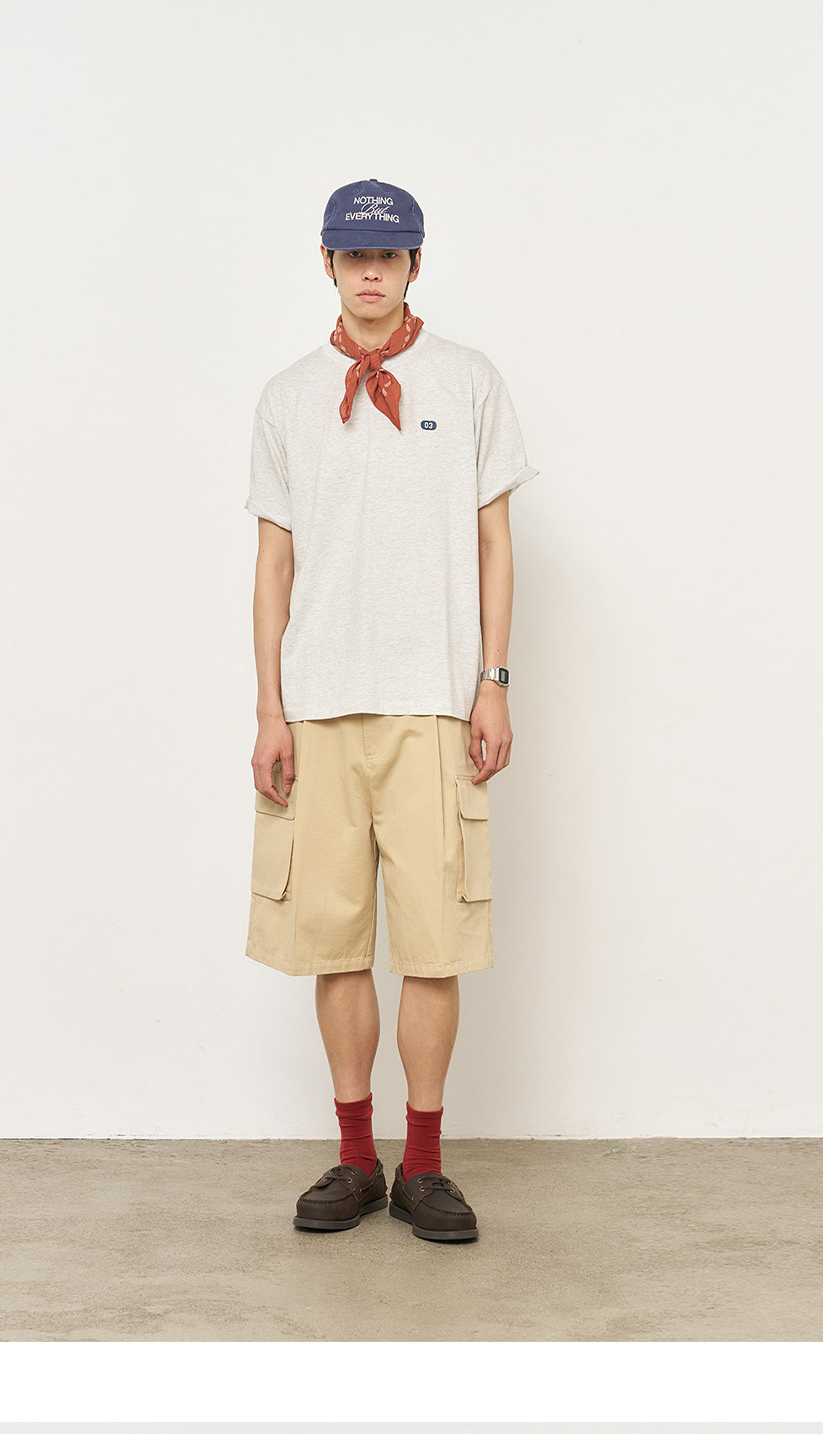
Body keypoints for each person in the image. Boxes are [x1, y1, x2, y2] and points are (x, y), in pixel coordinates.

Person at [246, 178, 533, 1245]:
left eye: (391, 255)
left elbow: (495, 540)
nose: (372, 272)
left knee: (432, 943)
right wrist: (270, 707)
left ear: (416, 264)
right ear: (326, 262)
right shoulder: (287, 397)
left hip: (433, 704)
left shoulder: (467, 380)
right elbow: (273, 562)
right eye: (355, 255)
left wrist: (493, 681)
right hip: (321, 705)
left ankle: (425, 1165)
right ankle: (356, 1157)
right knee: (333, 940)